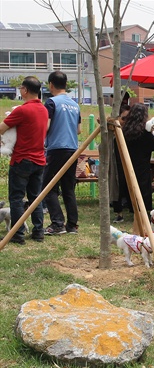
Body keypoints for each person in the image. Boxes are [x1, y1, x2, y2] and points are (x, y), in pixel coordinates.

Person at [0, 76, 47, 244]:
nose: (20, 90)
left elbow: (2, 128)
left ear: (25, 90)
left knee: (16, 197)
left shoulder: (21, 110)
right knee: (35, 197)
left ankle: (17, 234)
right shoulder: (43, 110)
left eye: (21, 88)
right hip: (39, 159)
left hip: (22, 160)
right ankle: (38, 232)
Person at [43, 71, 81, 235]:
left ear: (51, 84)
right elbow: (78, 130)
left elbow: (46, 127)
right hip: (72, 148)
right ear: (66, 84)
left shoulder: (51, 102)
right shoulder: (75, 104)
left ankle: (57, 224)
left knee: (48, 187)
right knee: (68, 188)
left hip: (56, 148)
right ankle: (72, 225)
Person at [121, 103, 154, 213]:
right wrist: (153, 132)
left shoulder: (124, 131)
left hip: (127, 165)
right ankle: (144, 210)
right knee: (143, 189)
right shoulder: (145, 133)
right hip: (143, 167)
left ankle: (131, 207)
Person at [111, 104, 130, 223]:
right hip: (116, 165)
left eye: (129, 119)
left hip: (129, 166)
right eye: (123, 118)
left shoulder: (132, 131)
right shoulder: (112, 133)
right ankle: (119, 213)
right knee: (117, 186)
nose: (126, 122)